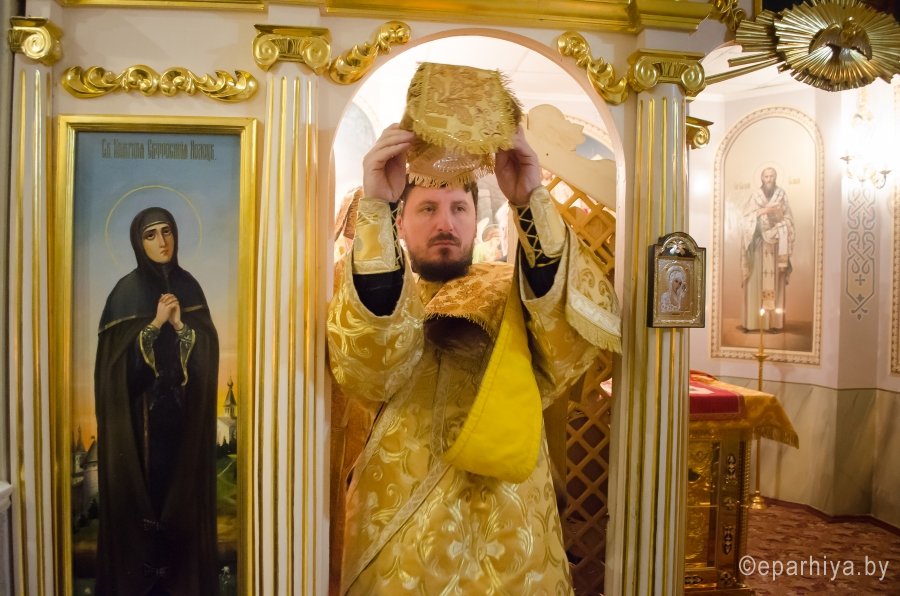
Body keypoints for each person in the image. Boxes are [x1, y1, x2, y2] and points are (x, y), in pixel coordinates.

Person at [327, 62, 621, 595]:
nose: (446, 223)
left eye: (459, 208)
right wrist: (375, 205)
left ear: (475, 217)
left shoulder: (512, 290)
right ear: (401, 221)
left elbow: (570, 343)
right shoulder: (377, 286)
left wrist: (529, 199)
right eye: (428, 208)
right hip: (401, 536)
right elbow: (370, 369)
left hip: (510, 532)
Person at [94, 206, 219, 595]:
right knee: (146, 511)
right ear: (138, 242)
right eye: (151, 235)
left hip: (182, 424)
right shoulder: (123, 294)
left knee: (180, 505)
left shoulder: (191, 288)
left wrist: (181, 326)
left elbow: (207, 357)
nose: (162, 242)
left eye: (167, 232)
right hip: (139, 431)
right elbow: (113, 374)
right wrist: (153, 326)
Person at [739, 166, 795, 331]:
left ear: (775, 178)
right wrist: (763, 212)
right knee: (755, 282)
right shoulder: (755, 196)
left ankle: (774, 323)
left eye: (771, 176)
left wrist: (780, 222)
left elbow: (789, 219)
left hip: (776, 247)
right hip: (758, 246)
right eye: (766, 176)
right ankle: (753, 323)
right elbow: (745, 219)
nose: (769, 179)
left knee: (775, 283)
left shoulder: (781, 195)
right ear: (761, 178)